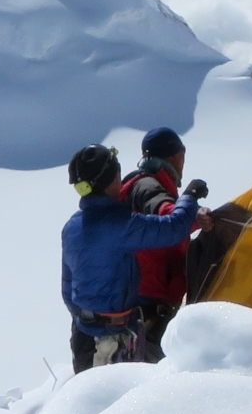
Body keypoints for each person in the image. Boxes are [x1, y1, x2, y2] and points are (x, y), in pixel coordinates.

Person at [61, 143, 204, 370]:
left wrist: (86, 319)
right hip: (114, 340)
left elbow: (68, 289)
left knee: (91, 393)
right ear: (114, 178)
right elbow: (172, 228)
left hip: (84, 338)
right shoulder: (119, 225)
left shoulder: (72, 227)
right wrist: (190, 196)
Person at [123, 128, 194, 360]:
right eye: (182, 156)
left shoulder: (138, 184)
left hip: (137, 303)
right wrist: (193, 209)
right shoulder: (148, 186)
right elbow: (168, 216)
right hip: (150, 306)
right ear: (173, 157)